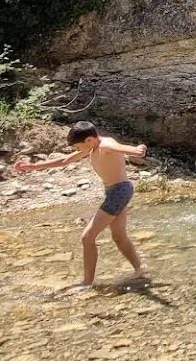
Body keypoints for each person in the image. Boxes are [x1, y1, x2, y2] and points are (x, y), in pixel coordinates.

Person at [13, 121, 147, 286]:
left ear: (89, 140)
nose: (77, 151)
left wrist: (136, 150)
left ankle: (87, 283)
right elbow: (64, 161)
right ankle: (140, 270)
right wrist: (32, 166)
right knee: (119, 236)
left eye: (77, 147)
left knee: (87, 237)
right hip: (117, 191)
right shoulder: (92, 147)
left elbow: (119, 147)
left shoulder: (106, 145)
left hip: (119, 192)